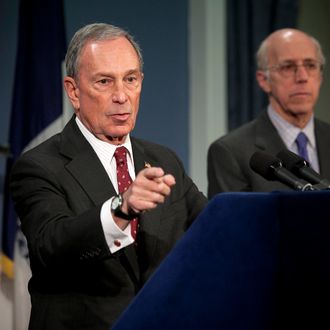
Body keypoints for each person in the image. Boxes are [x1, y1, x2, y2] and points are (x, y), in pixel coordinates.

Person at [9, 23, 207, 329]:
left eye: (130, 79)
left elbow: (211, 228)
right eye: (104, 81)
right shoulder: (38, 166)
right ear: (73, 91)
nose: (121, 96)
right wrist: (121, 208)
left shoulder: (163, 160)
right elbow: (51, 245)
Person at [207, 28, 330, 197]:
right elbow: (234, 222)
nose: (302, 77)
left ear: (320, 77)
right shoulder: (231, 152)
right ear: (264, 80)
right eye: (288, 67)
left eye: (310, 65)